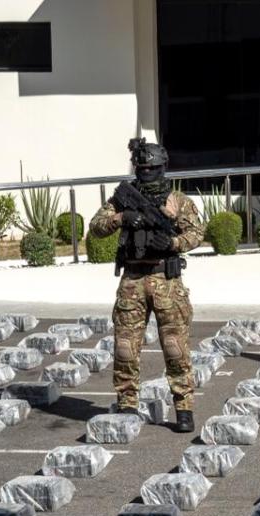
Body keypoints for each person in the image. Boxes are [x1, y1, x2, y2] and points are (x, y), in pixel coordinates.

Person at [89, 138, 204, 433]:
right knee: (125, 347)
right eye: (142, 167)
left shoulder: (177, 201)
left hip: (167, 280)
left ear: (162, 167)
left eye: (152, 168)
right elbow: (96, 227)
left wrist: (173, 242)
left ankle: (183, 407)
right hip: (132, 281)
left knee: (175, 347)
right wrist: (121, 217)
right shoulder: (122, 198)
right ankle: (127, 403)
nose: (147, 172)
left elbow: (197, 232)